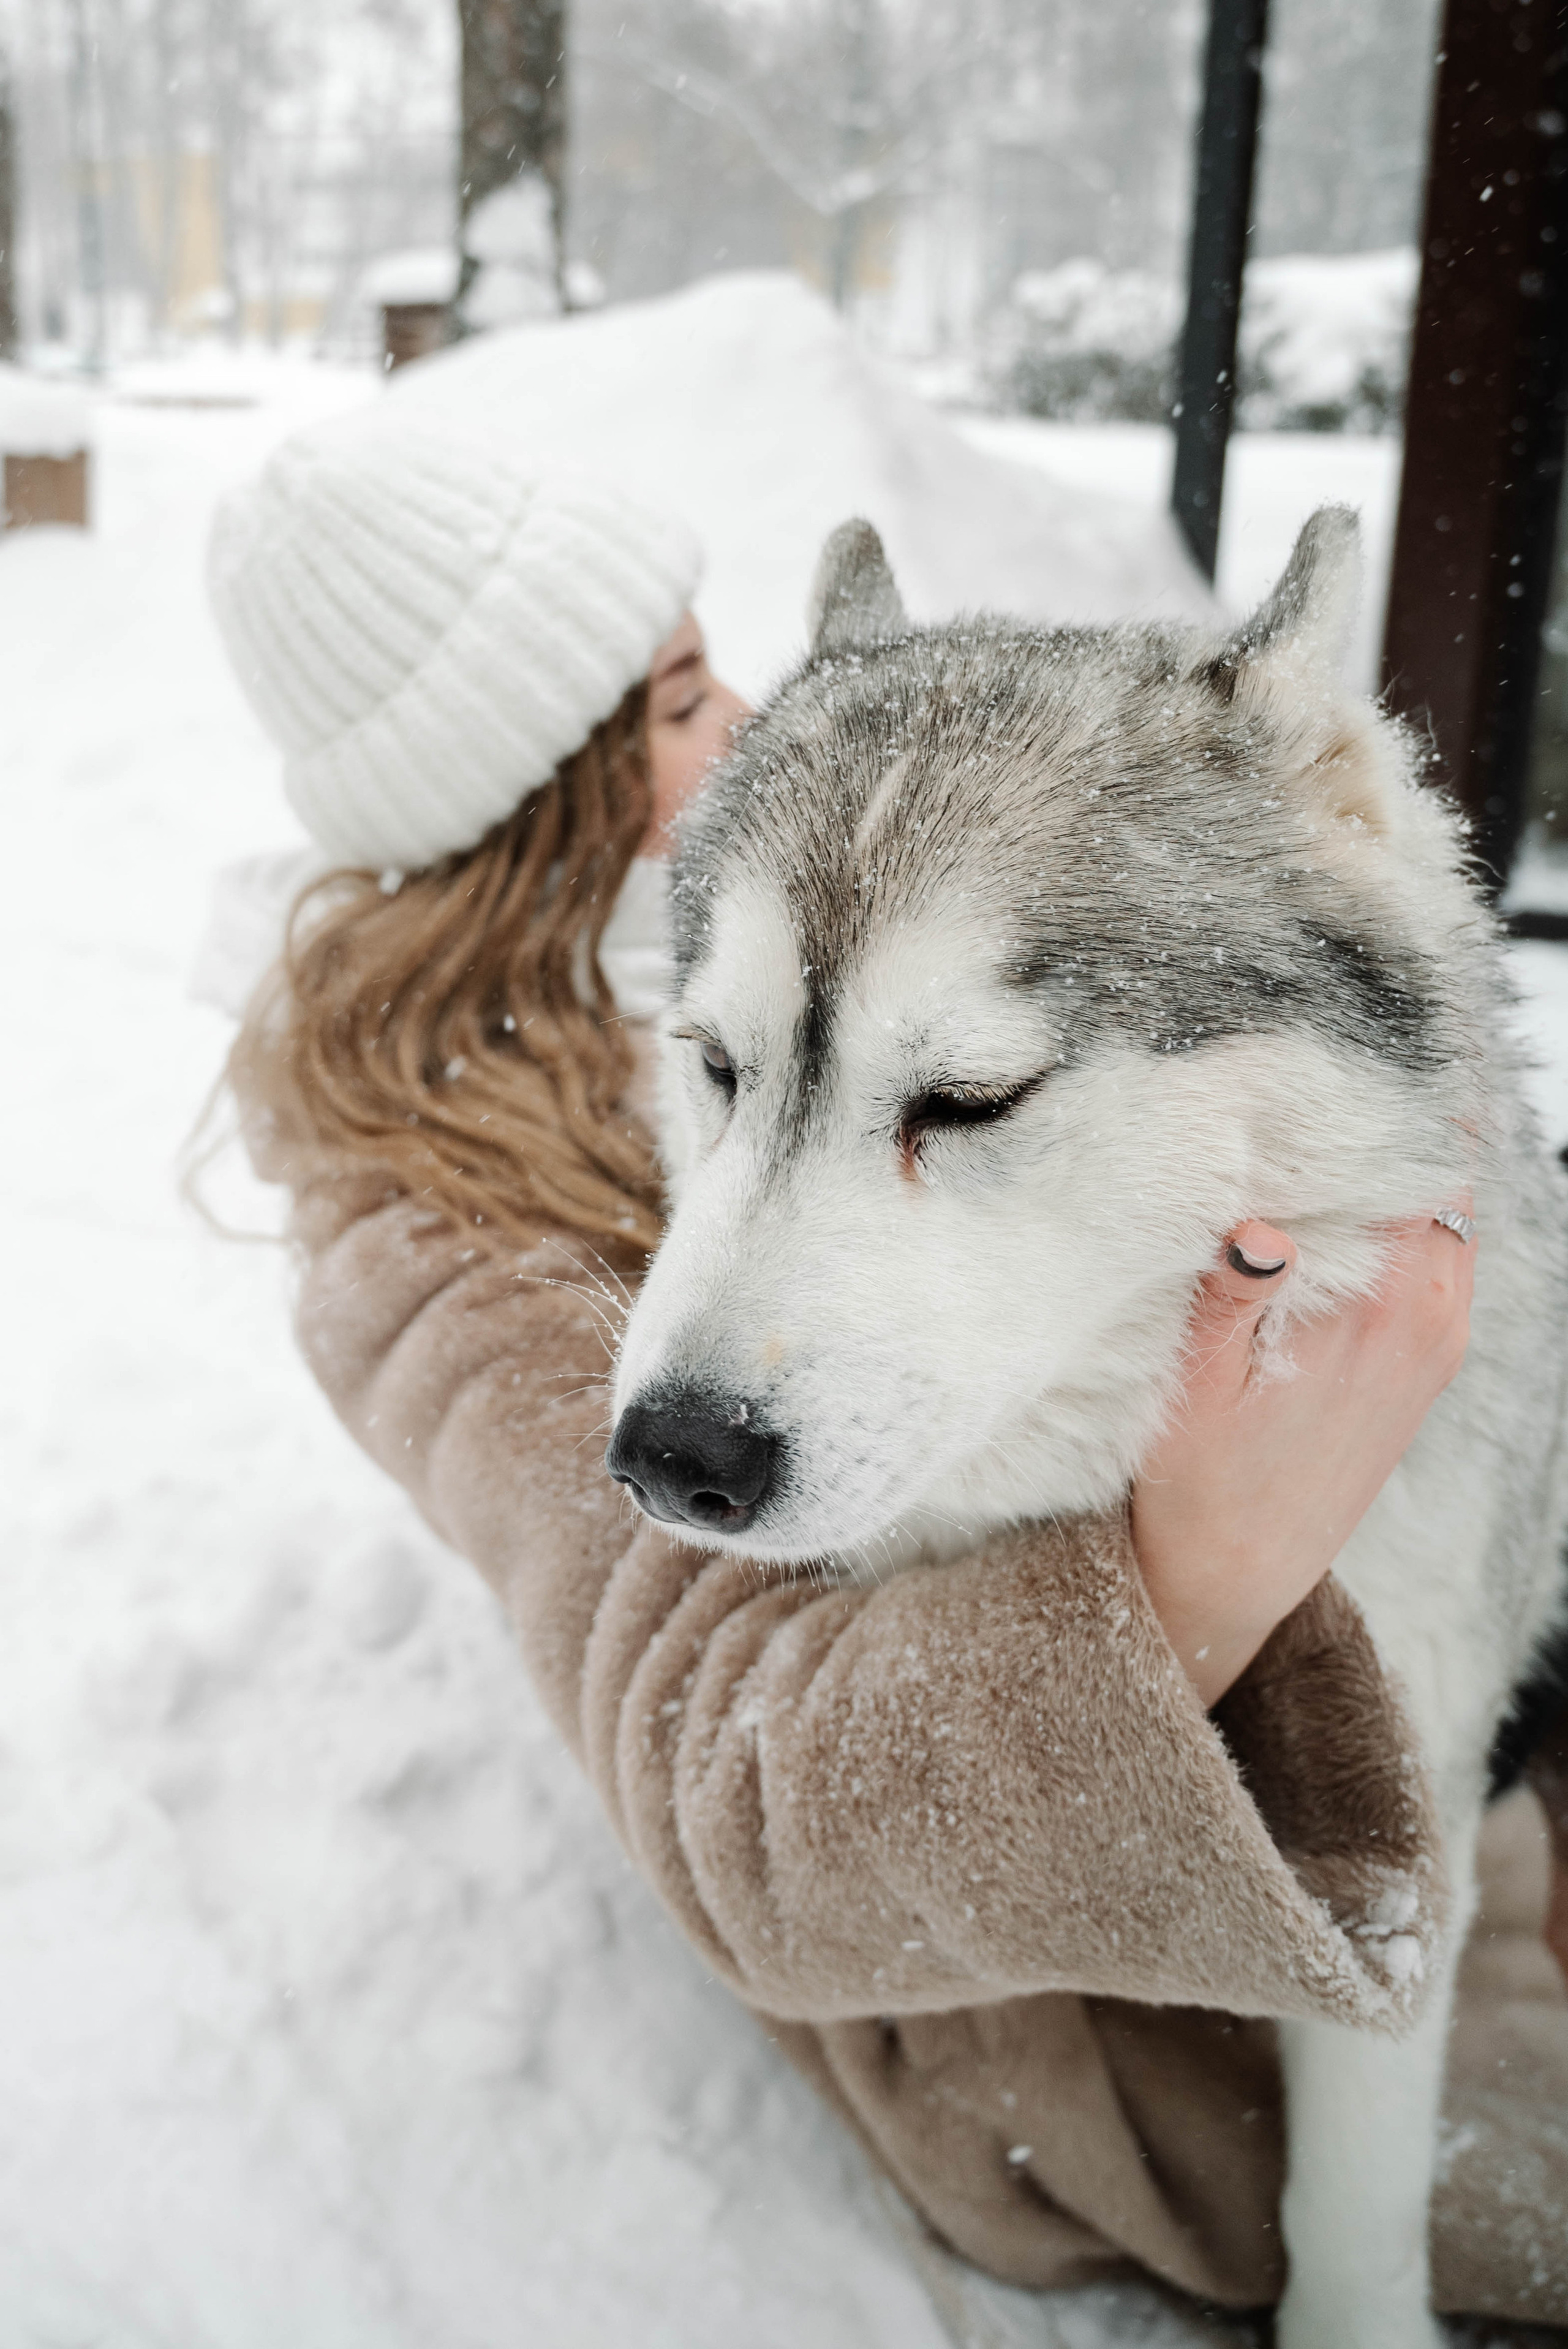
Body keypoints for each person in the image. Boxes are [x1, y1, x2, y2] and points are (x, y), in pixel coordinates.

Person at [206, 402, 1568, 2331]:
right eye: (679, 698)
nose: (765, 723)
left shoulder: (822, 909)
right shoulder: (434, 1221)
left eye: (712, 662)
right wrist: (1209, 1566)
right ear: (527, 800)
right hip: (1045, 2030)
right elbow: (741, 1799)